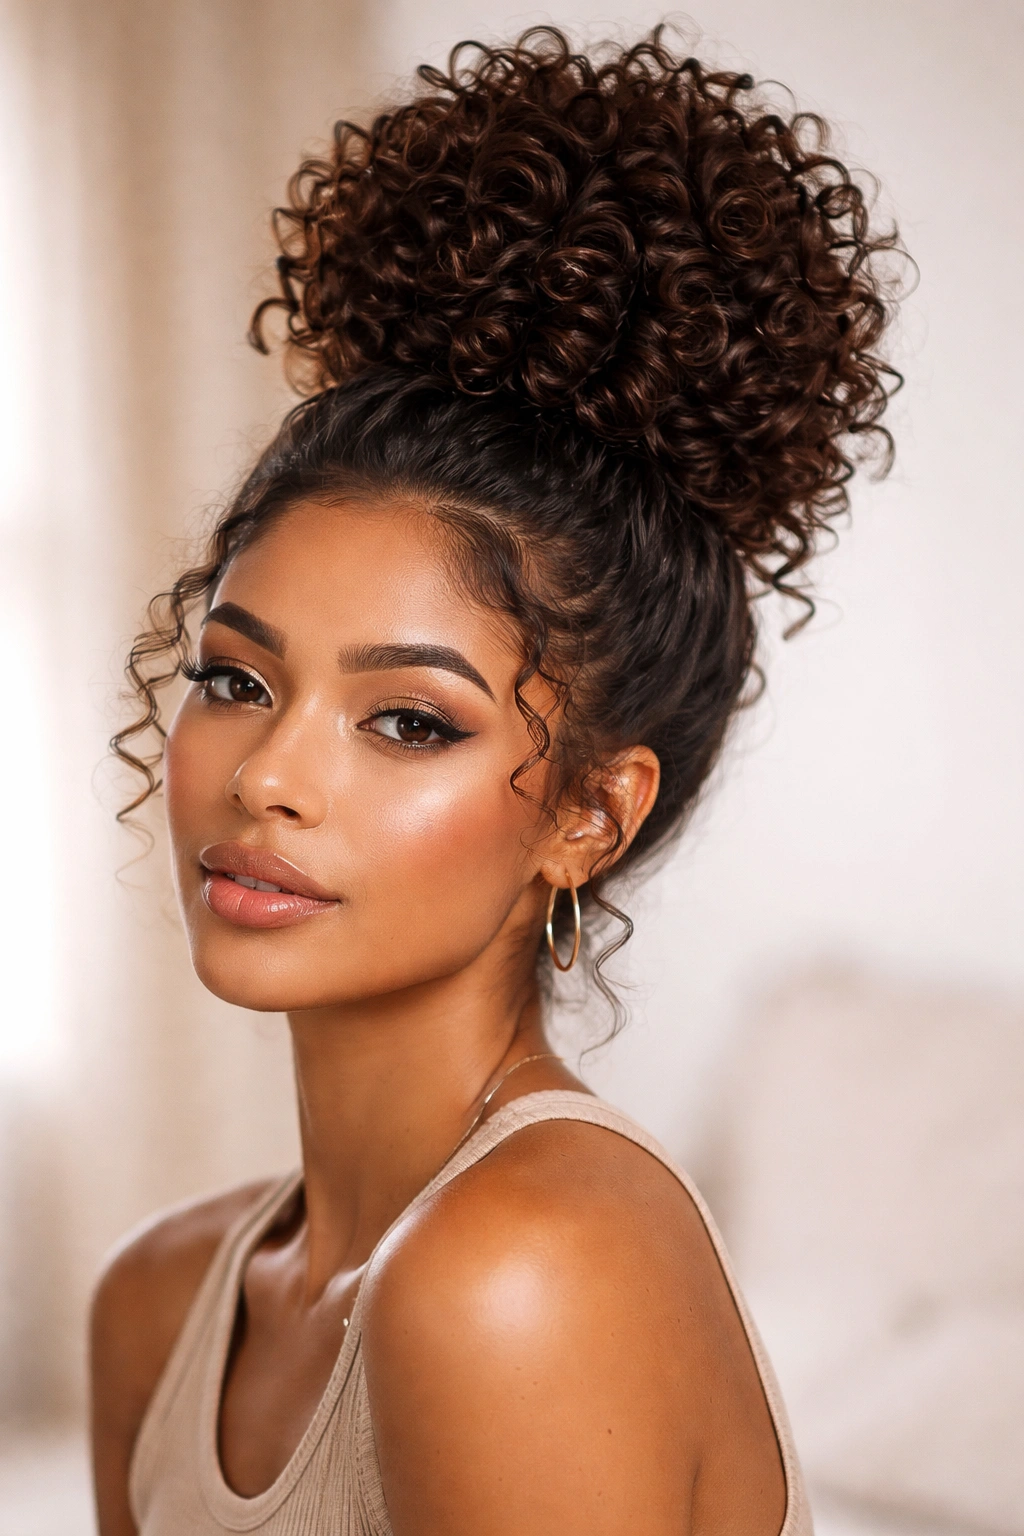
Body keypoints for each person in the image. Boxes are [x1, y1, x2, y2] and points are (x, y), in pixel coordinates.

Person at [89, 28, 900, 1536]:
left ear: (591, 813)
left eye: (408, 721)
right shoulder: (153, 1303)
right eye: (235, 679)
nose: (266, 773)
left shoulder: (525, 1269)